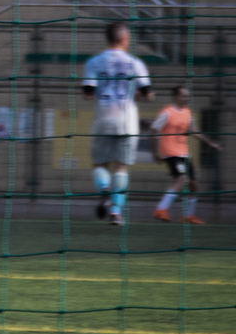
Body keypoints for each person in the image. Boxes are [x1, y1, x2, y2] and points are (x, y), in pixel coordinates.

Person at [82, 21, 152, 226]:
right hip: (127, 121)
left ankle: (103, 188)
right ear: (123, 39)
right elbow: (148, 94)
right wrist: (134, 95)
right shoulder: (135, 63)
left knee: (99, 163)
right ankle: (116, 211)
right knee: (121, 167)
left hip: (103, 118)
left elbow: (87, 94)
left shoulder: (94, 62)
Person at [151, 84, 219, 226]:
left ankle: (187, 216)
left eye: (187, 96)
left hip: (184, 154)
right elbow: (152, 131)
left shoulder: (187, 112)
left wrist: (210, 143)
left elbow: (194, 131)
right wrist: (155, 152)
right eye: (183, 95)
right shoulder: (167, 112)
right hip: (170, 152)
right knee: (182, 180)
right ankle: (161, 209)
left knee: (193, 184)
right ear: (175, 97)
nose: (185, 98)